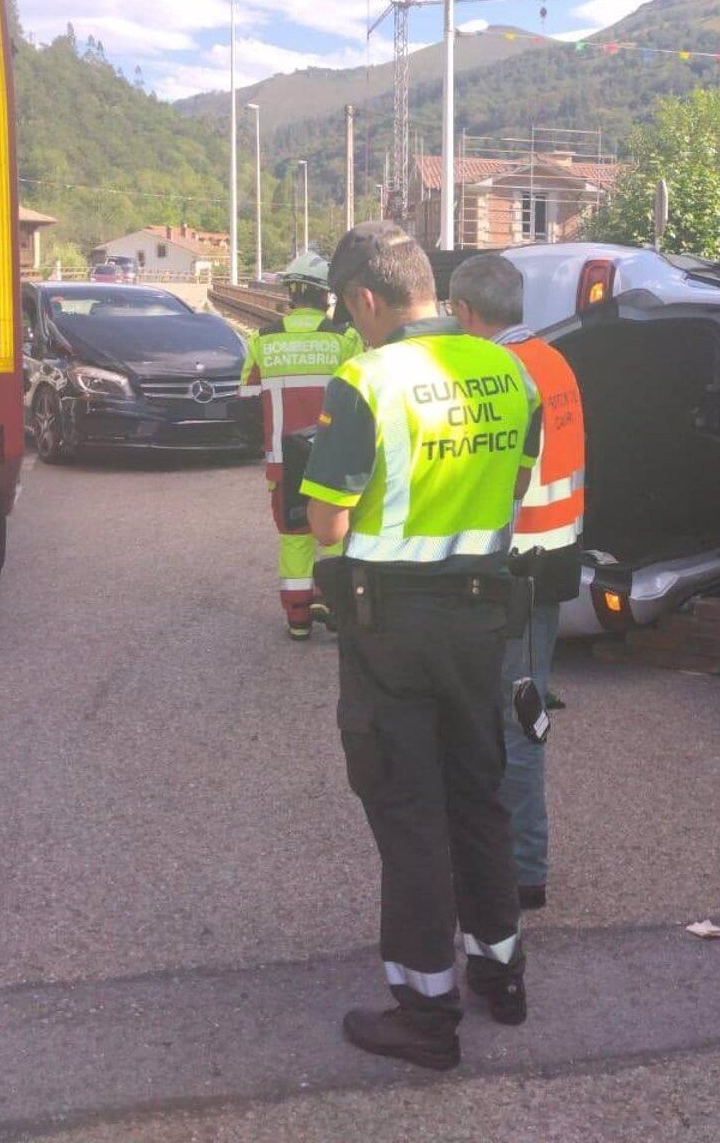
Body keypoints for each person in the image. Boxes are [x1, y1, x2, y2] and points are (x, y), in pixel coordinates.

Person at [300, 222, 539, 1071]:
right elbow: (511, 489)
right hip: (480, 618)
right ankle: (501, 977)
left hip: (390, 624)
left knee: (408, 812)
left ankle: (426, 1013)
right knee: (477, 795)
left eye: (347, 309)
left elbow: (328, 520)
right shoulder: (512, 371)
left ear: (366, 299)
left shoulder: (365, 379)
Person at [448, 253, 584, 913]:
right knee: (523, 716)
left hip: (511, 569)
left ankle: (522, 871)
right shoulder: (555, 361)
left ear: (466, 313)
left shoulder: (496, 373)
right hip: (553, 562)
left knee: (511, 723)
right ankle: (523, 866)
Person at [244, 250, 362, 640]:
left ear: (291, 294)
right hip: (333, 458)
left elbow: (246, 398)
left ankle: (297, 620)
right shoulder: (345, 339)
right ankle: (337, 611)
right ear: (327, 295)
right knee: (336, 536)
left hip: (282, 462)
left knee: (294, 538)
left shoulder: (262, 340)